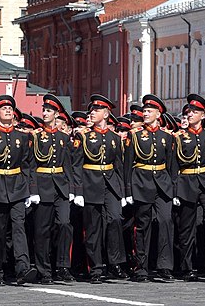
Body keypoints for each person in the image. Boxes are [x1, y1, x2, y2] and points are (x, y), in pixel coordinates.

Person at [0, 94, 37, 286]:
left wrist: (31, 189)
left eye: (10, 108)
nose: (8, 110)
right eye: (3, 108)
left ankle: (23, 267)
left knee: (19, 228)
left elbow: (28, 164)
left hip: (18, 186)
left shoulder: (22, 136)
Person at [123, 94, 177, 282]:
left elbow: (171, 165)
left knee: (165, 222)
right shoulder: (134, 135)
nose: (145, 113)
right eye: (144, 111)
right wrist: (128, 190)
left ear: (158, 113)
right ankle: (141, 267)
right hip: (141, 183)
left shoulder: (166, 137)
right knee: (143, 226)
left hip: (162, 184)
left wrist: (173, 189)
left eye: (149, 111)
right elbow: (128, 164)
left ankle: (165, 266)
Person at [75, 94, 126, 282]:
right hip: (90, 183)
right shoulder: (83, 136)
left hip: (111, 184)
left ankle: (115, 262)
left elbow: (119, 165)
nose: (92, 113)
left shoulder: (114, 138)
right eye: (91, 110)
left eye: (96, 110)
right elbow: (77, 165)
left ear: (106, 113)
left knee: (115, 219)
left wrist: (123, 192)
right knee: (93, 228)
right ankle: (95, 268)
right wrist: (78, 191)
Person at [174, 93, 205, 280]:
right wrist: (174, 190)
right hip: (186, 183)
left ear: (203, 115)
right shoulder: (179, 136)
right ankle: (187, 266)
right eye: (189, 111)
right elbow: (174, 165)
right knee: (188, 225)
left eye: (195, 112)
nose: (190, 114)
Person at [30, 95, 74, 284]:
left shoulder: (64, 137)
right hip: (43, 185)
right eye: (44, 110)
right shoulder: (35, 137)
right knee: (42, 230)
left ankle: (63, 266)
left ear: (57, 114)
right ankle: (44, 270)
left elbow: (69, 165)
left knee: (64, 224)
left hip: (61, 186)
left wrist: (73, 189)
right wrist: (32, 190)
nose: (45, 113)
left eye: (49, 111)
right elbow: (30, 165)